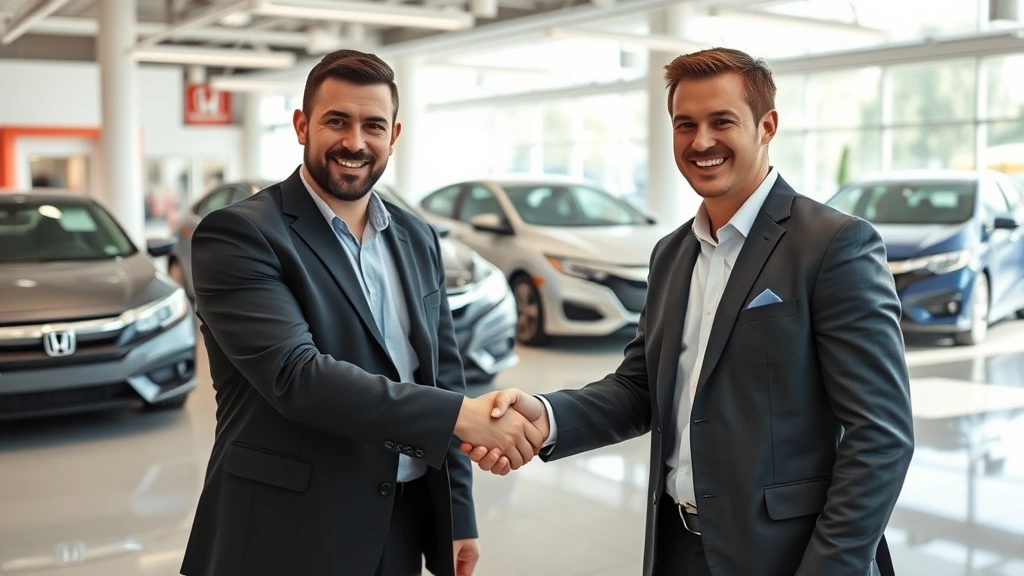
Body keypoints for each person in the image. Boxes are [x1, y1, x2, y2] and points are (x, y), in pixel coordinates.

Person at [463, 47, 915, 576]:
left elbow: (881, 434)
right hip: (678, 548)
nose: (701, 142)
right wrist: (548, 415)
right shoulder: (672, 254)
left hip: (789, 555)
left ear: (766, 126)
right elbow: (639, 388)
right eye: (685, 125)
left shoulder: (834, 245)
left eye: (722, 121)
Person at [180, 49, 543, 576]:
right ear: (302, 125)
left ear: (394, 135)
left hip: (398, 525)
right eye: (336, 121)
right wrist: (459, 419)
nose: (354, 142)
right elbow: (295, 376)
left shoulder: (417, 236)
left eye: (373, 125)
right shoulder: (240, 234)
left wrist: (458, 514)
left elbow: (443, 375)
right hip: (284, 530)